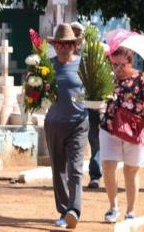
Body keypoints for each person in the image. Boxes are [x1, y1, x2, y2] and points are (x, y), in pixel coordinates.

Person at [100, 45, 144, 222]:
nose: (117, 69)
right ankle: (113, 207)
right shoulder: (107, 77)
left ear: (130, 62)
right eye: (114, 64)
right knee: (108, 167)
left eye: (121, 65)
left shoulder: (143, 78)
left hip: (134, 128)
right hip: (110, 126)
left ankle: (130, 210)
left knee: (131, 170)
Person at [45, 23, 89, 229]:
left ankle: (74, 210)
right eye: (60, 44)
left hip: (78, 122)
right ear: (55, 45)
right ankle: (63, 211)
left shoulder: (83, 65)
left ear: (74, 45)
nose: (63, 48)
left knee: (76, 169)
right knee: (58, 169)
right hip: (54, 123)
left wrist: (88, 100)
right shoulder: (45, 66)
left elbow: (93, 90)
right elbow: (35, 91)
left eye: (68, 44)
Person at [71, 21, 102, 189]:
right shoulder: (63, 53)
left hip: (91, 102)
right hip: (72, 103)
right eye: (72, 33)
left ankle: (95, 175)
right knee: (73, 141)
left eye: (78, 33)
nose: (75, 37)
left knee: (94, 139)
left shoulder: (91, 53)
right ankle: (73, 175)